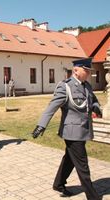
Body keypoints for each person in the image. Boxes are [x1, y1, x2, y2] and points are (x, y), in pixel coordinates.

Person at [31, 58, 102, 200]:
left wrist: (95, 106)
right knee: (83, 165)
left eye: (89, 71)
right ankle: (93, 196)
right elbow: (52, 106)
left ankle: (58, 184)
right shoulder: (65, 86)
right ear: (76, 70)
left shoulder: (86, 85)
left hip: (83, 130)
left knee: (70, 159)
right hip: (72, 132)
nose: (88, 73)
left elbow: (93, 100)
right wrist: (41, 125)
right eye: (86, 71)